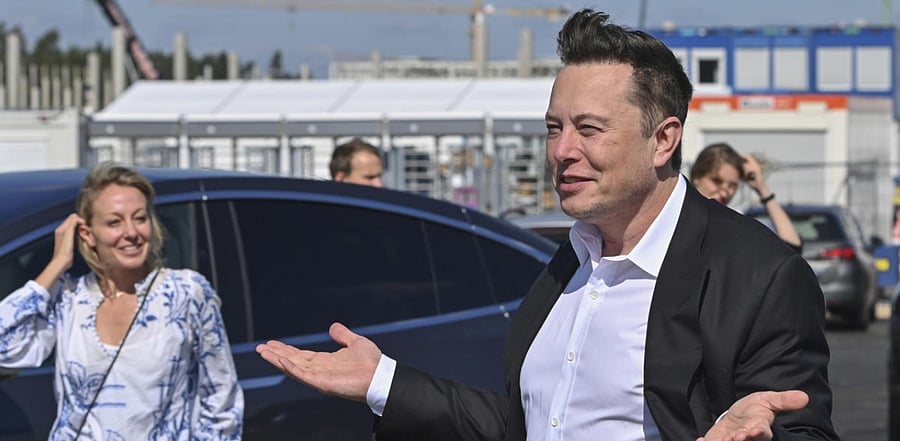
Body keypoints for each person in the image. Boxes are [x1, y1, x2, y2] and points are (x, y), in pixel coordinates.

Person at [257, 9, 838, 441]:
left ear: (663, 139)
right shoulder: (571, 260)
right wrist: (383, 380)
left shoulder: (760, 274)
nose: (561, 150)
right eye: (553, 127)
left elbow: (798, 429)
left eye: (588, 129)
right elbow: (525, 424)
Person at [0, 163, 243, 439]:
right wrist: (57, 264)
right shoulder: (69, 299)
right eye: (114, 222)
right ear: (87, 234)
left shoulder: (186, 293)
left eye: (139, 218)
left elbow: (222, 401)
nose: (131, 232)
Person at [691, 142, 803, 253]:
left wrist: (762, 190)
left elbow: (792, 248)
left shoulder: (732, 230)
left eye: (732, 186)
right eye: (717, 181)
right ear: (697, 177)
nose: (724, 193)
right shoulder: (680, 217)